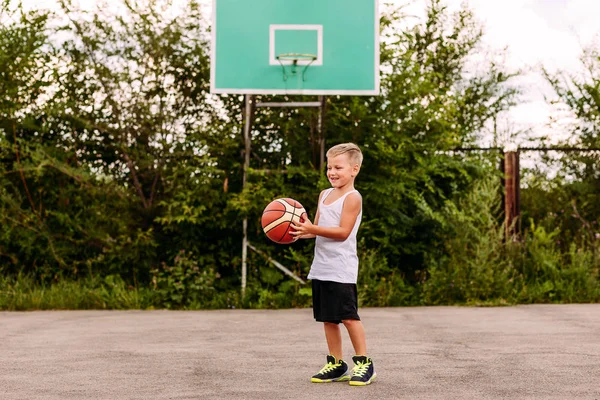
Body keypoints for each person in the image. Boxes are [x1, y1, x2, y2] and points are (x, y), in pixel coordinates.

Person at [291, 142, 376, 386]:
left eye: (338, 167)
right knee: (328, 318)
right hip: (322, 267)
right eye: (329, 167)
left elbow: (342, 232)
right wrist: (298, 232)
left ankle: (364, 363)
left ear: (354, 169)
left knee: (348, 317)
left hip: (342, 268)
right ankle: (337, 364)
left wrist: (312, 228)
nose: (332, 172)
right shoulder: (324, 195)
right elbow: (318, 229)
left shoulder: (353, 198)